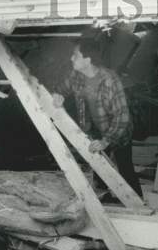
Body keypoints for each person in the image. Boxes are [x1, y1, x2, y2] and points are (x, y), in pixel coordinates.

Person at [53, 29, 142, 196]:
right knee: (99, 167)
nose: (71, 58)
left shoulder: (110, 80)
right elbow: (62, 88)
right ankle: (104, 197)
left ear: (87, 60)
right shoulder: (76, 75)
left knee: (125, 168)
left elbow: (122, 117)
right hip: (95, 128)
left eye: (75, 55)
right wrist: (58, 94)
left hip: (118, 131)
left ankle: (137, 202)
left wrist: (106, 141)